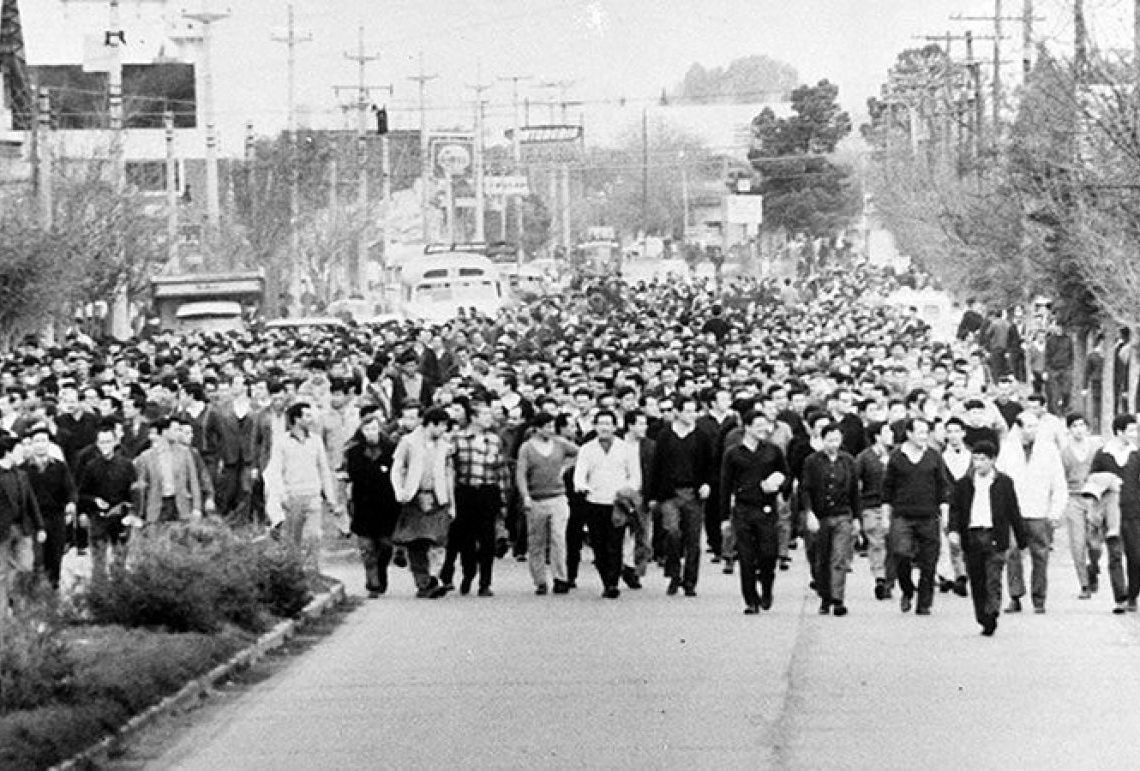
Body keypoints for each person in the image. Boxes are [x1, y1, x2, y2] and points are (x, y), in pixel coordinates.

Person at [948, 440, 1027, 636]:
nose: (978, 463)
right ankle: (982, 615)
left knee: (993, 577)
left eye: (983, 459)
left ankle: (992, 611)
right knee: (977, 579)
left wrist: (1021, 539)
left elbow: (1013, 510)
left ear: (992, 460)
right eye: (975, 458)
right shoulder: (964, 483)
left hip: (994, 535)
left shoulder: (1004, 483)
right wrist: (954, 530)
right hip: (972, 535)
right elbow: (955, 510)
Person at [996, 410, 1067, 614]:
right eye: (1028, 426)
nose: (1033, 431)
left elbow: (1058, 482)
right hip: (1014, 512)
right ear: (1018, 428)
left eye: (1036, 426)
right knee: (1012, 553)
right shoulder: (1008, 449)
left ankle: (1039, 598)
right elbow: (1000, 481)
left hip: (1039, 510)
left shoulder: (1048, 450)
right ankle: (1015, 595)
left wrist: (1055, 511)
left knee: (1040, 554)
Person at [719, 409, 789, 614]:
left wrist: (777, 483)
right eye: (758, 425)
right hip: (743, 509)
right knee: (746, 557)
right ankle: (750, 599)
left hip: (766, 509)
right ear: (747, 427)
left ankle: (767, 589)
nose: (763, 430)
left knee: (769, 554)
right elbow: (725, 485)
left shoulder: (773, 450)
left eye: (765, 425)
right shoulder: (733, 453)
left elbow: (786, 473)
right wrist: (724, 517)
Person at [882, 418, 952, 615]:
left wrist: (945, 514)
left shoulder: (934, 456)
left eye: (926, 433)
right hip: (902, 515)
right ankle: (907, 589)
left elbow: (943, 486)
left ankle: (924, 603)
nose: (924, 437)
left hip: (929, 516)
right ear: (909, 434)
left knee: (929, 562)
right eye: (920, 432)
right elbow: (887, 489)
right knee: (901, 554)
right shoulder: (897, 457)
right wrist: (886, 517)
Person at [263, 402, 342, 569]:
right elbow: (275, 470)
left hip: (313, 495)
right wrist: (282, 495)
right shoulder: (282, 442)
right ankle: (296, 573)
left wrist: (331, 498)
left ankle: (313, 570)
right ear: (296, 419)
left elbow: (324, 470)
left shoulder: (316, 441)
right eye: (306, 415)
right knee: (293, 539)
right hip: (292, 497)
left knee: (314, 536)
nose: (311, 419)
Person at [443, 402, 510, 597]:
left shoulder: (494, 441)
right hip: (465, 493)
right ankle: (468, 573)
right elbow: (448, 468)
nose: (489, 418)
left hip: (488, 492)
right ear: (473, 418)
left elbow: (502, 472)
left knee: (488, 539)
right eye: (485, 415)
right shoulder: (458, 439)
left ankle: (485, 582)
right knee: (466, 539)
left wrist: (503, 501)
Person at [650, 396, 713, 597]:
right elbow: (656, 466)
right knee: (672, 532)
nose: (691, 415)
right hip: (670, 493)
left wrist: (707, 484)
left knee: (693, 539)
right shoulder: (665, 436)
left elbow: (710, 463)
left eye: (694, 411)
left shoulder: (701, 436)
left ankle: (690, 581)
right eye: (687, 411)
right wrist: (652, 495)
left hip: (692, 492)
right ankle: (674, 572)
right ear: (676, 412)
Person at [573, 410, 641, 598]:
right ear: (595, 426)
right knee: (598, 543)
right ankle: (605, 577)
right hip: (594, 501)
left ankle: (612, 583)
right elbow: (580, 474)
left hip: (617, 503)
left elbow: (635, 476)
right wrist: (582, 486)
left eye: (608, 424)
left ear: (614, 426)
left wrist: (627, 491)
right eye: (600, 423)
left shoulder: (626, 448)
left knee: (615, 542)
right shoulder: (587, 449)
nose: (604, 427)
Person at [390, 406, 454, 598]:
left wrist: (451, 503)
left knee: (438, 541)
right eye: (441, 426)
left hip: (438, 498)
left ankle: (434, 576)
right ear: (431, 424)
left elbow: (448, 473)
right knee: (416, 542)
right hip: (414, 497)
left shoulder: (445, 445)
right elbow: (397, 468)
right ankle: (424, 582)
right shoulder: (408, 442)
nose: (444, 430)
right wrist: (399, 490)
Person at [801, 422, 860, 616]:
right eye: (829, 440)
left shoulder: (848, 461)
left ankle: (838, 599)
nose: (833, 444)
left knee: (839, 557)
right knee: (821, 559)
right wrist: (809, 512)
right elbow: (805, 489)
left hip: (843, 514)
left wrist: (857, 517)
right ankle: (825, 596)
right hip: (821, 516)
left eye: (837, 439)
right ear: (822, 440)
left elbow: (854, 492)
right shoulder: (812, 461)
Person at [516, 412, 579, 595]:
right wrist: (525, 496)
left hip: (558, 496)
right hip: (536, 499)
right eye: (547, 427)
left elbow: (581, 452)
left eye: (552, 427)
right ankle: (540, 580)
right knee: (537, 541)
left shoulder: (560, 444)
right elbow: (521, 473)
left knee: (558, 539)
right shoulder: (526, 448)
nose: (550, 431)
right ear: (537, 428)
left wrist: (568, 467)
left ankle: (560, 577)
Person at [344, 409, 400, 598]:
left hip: (386, 504)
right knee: (367, 546)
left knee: (385, 545)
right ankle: (372, 581)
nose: (371, 432)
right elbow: (353, 475)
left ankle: (381, 570)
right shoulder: (354, 451)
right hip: (363, 503)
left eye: (374, 428)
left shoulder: (391, 449)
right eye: (367, 429)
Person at [1088, 414, 1140, 614]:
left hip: (1134, 512)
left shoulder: (1136, 454)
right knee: (1115, 556)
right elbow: (1092, 480)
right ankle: (1120, 598)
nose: (1134, 435)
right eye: (1131, 431)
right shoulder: (1103, 455)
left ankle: (1133, 593)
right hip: (1111, 514)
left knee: (1135, 557)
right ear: (1119, 432)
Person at [76, 424, 137, 577]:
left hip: (121, 516)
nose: (105, 446)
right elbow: (82, 493)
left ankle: (119, 590)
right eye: (102, 442)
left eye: (108, 441)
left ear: (115, 442)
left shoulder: (126, 465)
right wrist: (94, 501)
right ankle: (99, 592)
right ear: (97, 444)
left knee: (120, 558)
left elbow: (134, 492)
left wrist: (132, 512)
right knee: (98, 560)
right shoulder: (91, 466)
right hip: (99, 517)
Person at [22, 423, 76, 590]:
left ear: (49, 444)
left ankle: (53, 591)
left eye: (43, 441)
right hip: (33, 521)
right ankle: (34, 595)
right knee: (36, 560)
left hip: (56, 517)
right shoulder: (23, 469)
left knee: (55, 557)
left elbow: (70, 489)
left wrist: (71, 503)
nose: (40, 445)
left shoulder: (60, 467)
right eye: (36, 441)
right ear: (31, 444)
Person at [0, 434, 45, 621]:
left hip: (23, 528)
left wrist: (40, 526)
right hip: (2, 531)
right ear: (9, 452)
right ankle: (2, 615)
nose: (24, 450)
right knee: (1, 573)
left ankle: (20, 611)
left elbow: (32, 502)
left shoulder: (22, 474)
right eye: (19, 447)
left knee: (25, 569)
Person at [1060, 413, 1103, 599]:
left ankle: (1093, 566)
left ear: (1087, 428)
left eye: (1081, 425)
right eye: (1074, 426)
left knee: (1094, 542)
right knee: (1077, 544)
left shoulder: (1096, 448)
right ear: (1069, 430)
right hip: (1074, 498)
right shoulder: (1064, 452)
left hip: (1094, 498)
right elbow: (1060, 478)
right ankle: (1084, 584)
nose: (1078, 429)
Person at [133, 416, 203, 525]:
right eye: (176, 430)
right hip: (157, 505)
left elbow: (193, 480)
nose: (179, 433)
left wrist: (196, 507)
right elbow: (142, 487)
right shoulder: (146, 457)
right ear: (165, 432)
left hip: (180, 504)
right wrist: (139, 512)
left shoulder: (184, 452)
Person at [855, 420, 893, 600]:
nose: (892, 434)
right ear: (877, 436)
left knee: (894, 544)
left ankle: (890, 578)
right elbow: (855, 484)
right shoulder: (864, 458)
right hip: (871, 505)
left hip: (894, 506)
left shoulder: (897, 455)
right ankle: (880, 578)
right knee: (877, 542)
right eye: (887, 431)